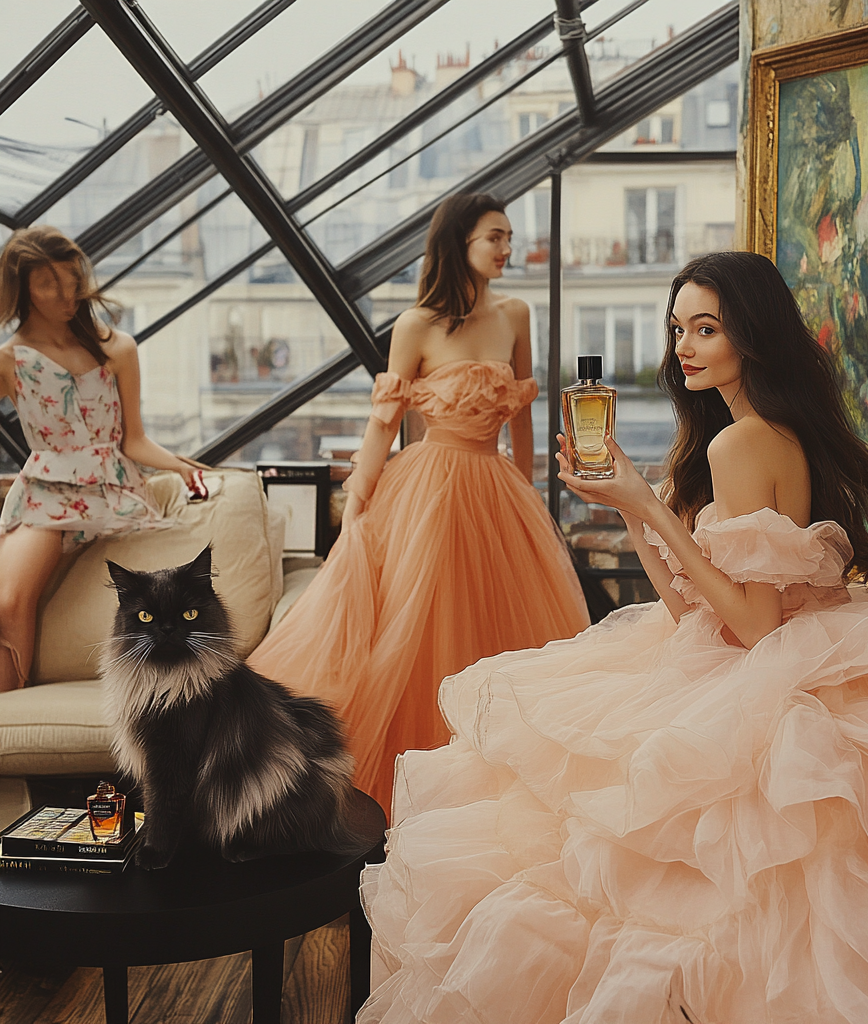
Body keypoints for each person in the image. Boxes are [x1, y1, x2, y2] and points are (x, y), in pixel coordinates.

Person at [357, 251, 868, 1024]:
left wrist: (650, 503)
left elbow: (750, 626)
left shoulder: (741, 445)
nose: (684, 347)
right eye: (678, 328)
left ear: (753, 335)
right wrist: (635, 510)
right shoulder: (753, 433)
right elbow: (694, 619)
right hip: (756, 664)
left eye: (707, 329)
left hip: (769, 679)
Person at [248, 192, 589, 815]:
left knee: (506, 633)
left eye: (509, 237)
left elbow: (521, 415)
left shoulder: (516, 313)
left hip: (499, 488)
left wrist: (532, 491)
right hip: (430, 488)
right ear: (459, 243)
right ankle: (421, 794)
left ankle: (500, 790)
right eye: (495, 237)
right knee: (418, 629)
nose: (507, 248)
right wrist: (358, 500)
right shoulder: (417, 325)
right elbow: (384, 421)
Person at [0, 226, 204, 693]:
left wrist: (182, 467)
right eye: (49, 284)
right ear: (22, 288)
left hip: (113, 492)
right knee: (7, 600)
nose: (67, 294)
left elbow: (134, 441)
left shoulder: (117, 347)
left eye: (72, 280)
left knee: (14, 598)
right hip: (45, 495)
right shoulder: (9, 360)